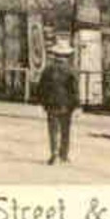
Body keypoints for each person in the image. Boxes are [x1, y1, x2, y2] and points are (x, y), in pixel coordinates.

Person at [37, 36, 79, 165]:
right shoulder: (71, 70)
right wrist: (77, 105)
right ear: (67, 55)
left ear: (55, 54)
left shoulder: (47, 69)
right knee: (65, 130)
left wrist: (42, 103)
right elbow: (74, 90)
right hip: (67, 104)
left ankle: (54, 155)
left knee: (53, 129)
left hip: (51, 104)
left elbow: (41, 88)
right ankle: (64, 155)